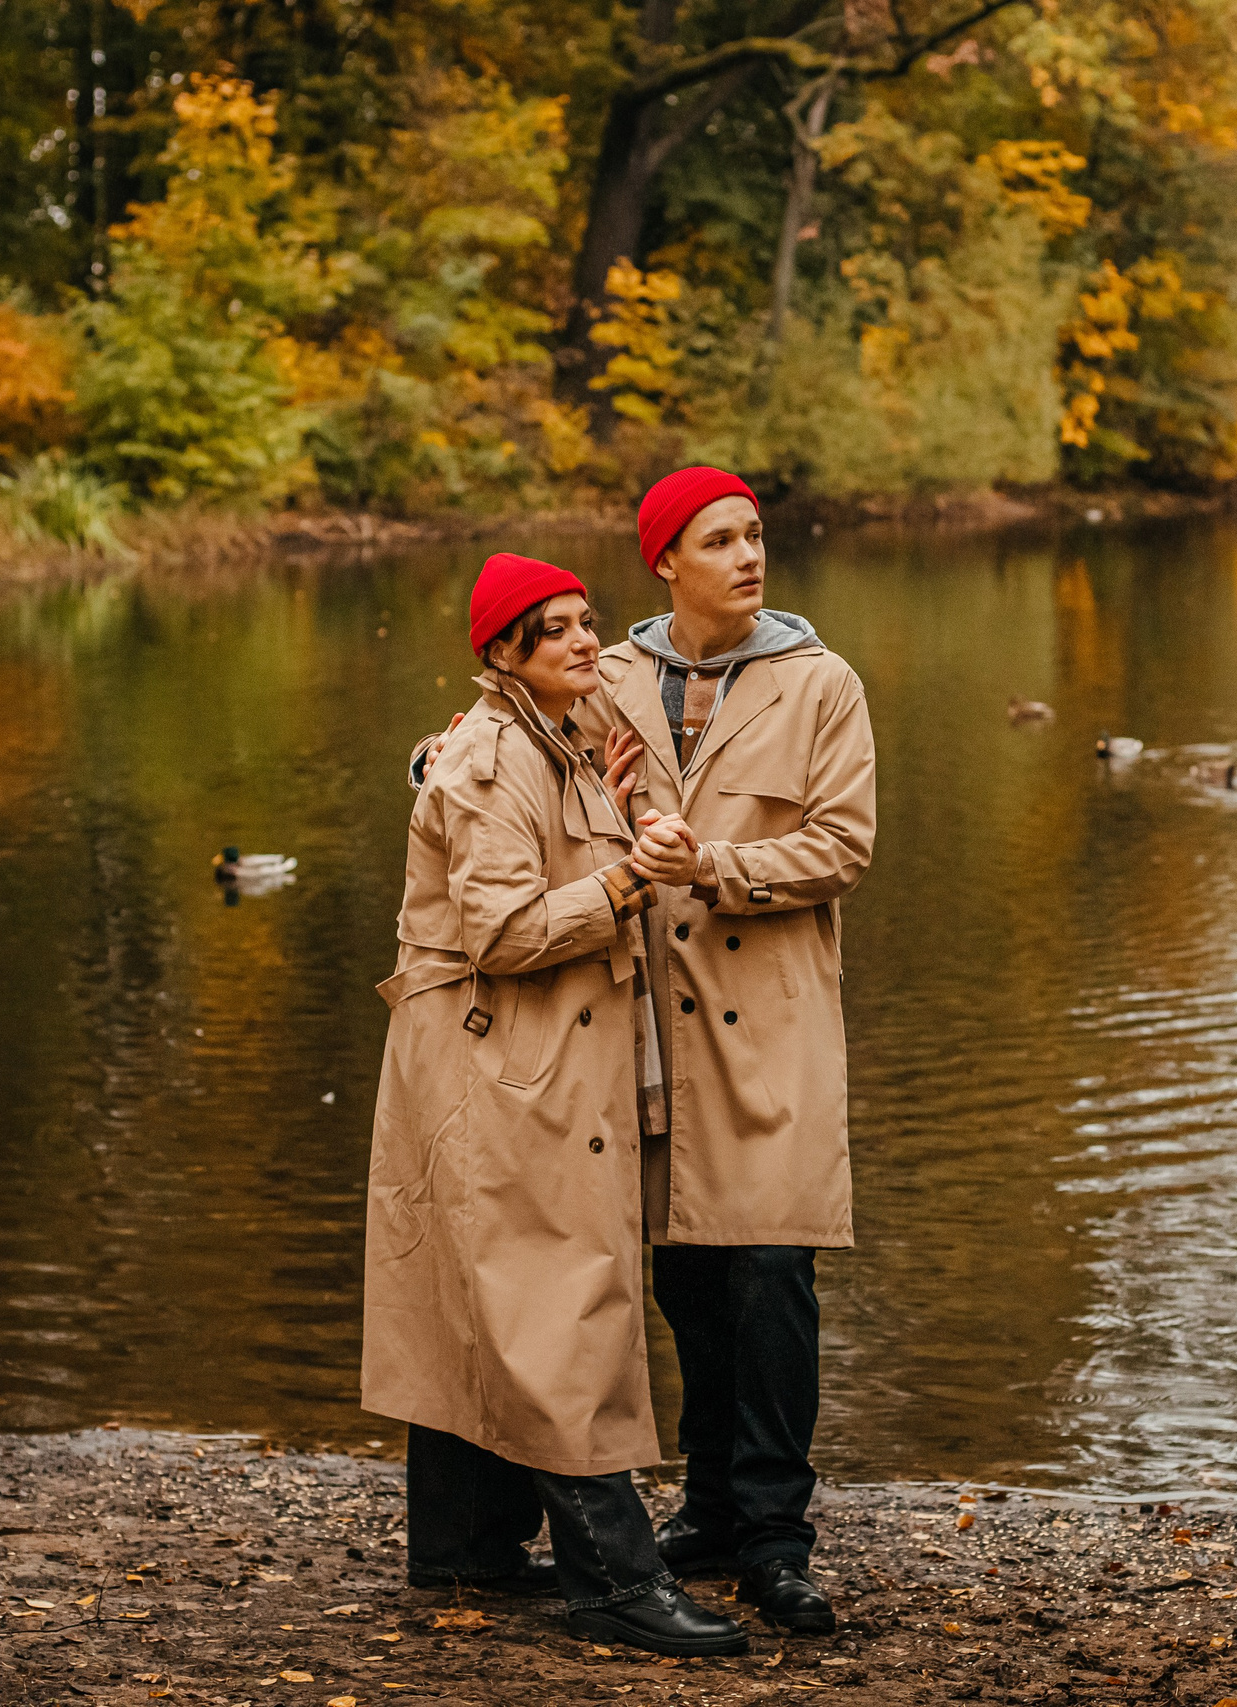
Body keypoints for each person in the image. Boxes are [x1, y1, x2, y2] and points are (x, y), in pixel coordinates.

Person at [411, 470, 878, 1635]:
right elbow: (492, 740)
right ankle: (710, 1511)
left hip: (769, 1031)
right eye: (720, 539)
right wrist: (433, 763)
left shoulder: (822, 685)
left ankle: (775, 1543)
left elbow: (842, 849)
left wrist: (708, 865)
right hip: (634, 1039)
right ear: (665, 560)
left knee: (772, 1281)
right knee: (675, 1281)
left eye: (755, 536)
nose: (749, 556)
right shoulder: (605, 672)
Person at [363, 552, 748, 1659]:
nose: (587, 642)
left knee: (480, 1297)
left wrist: (622, 816)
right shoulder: (490, 756)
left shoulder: (556, 742)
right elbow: (503, 931)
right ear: (503, 655)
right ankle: (613, 1579)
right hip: (495, 1066)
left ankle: (465, 1547)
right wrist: (633, 878)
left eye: (586, 622)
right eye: (557, 631)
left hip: (513, 1061)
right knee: (553, 1304)